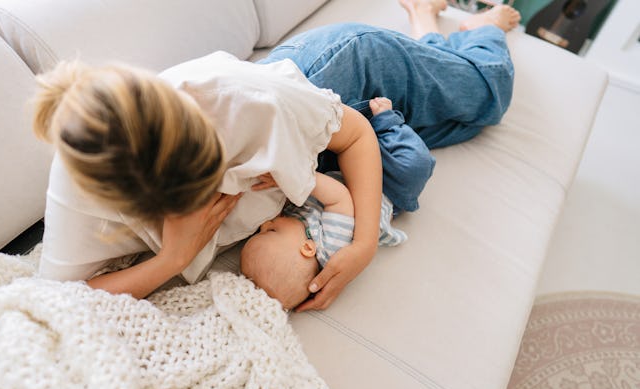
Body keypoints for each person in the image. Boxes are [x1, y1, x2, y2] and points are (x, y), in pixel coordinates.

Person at [34, 54, 383, 306]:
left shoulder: (246, 101)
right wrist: (172, 259)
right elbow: (62, 299)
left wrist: (364, 245)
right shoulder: (78, 193)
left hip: (333, 67)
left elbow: (356, 136)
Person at [258, 1, 521, 217]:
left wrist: (363, 244)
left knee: (489, 94)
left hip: (333, 79)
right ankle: (424, 18)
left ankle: (485, 28)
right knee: (458, 126)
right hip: (330, 128)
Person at [241, 97, 409, 309]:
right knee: (411, 165)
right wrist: (296, 178)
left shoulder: (297, 227)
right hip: (390, 190)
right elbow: (339, 197)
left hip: (347, 172)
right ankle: (390, 123)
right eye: (271, 231)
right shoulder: (329, 249)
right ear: (308, 248)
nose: (265, 224)